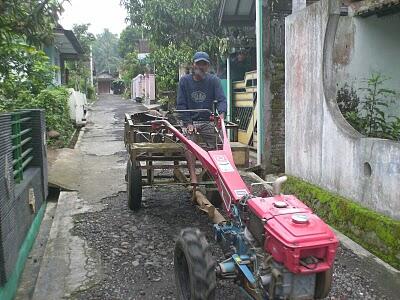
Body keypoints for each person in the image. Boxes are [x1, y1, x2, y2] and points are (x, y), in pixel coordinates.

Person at [176, 51, 227, 185]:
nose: (201, 67)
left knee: (219, 142)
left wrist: (221, 114)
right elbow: (181, 105)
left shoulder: (213, 80)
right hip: (190, 121)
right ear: (193, 65)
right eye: (199, 64)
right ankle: (193, 176)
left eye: (204, 64)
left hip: (206, 121)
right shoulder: (184, 81)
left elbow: (222, 100)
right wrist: (188, 123)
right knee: (190, 143)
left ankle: (212, 172)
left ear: (208, 66)